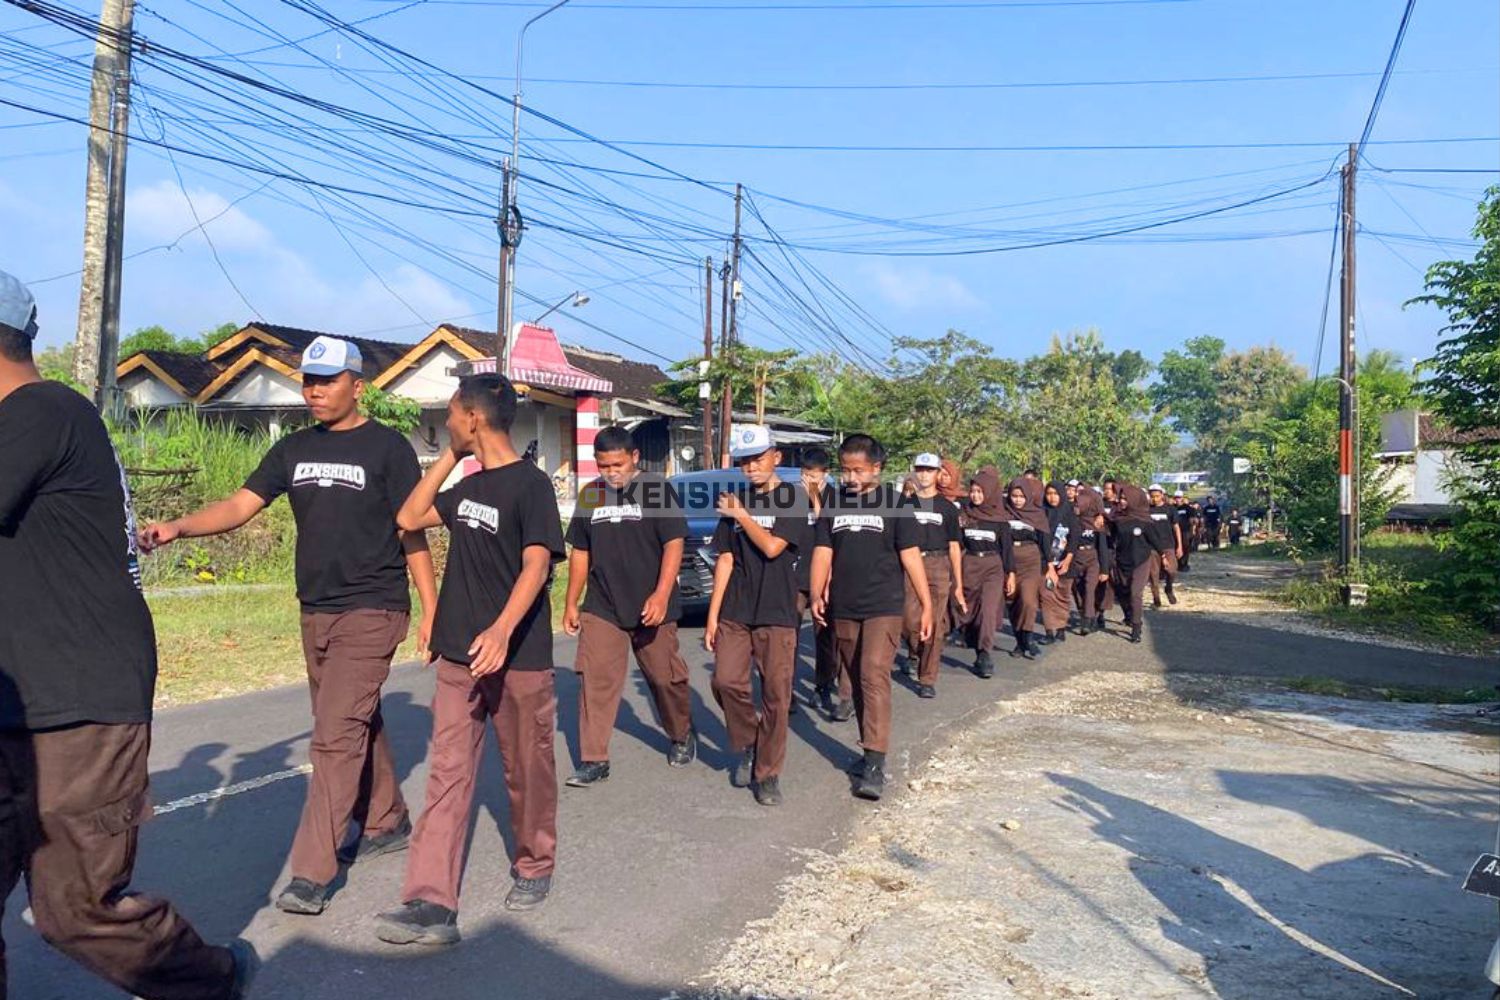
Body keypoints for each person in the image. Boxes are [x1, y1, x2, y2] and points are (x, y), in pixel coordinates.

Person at [0, 271, 255, 998]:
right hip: (20, 696)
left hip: (79, 699)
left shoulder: (43, 410)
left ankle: (209, 978)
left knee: (73, 909)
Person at [141, 335, 437, 917]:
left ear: (358, 385)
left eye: (327, 380)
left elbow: (411, 530)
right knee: (354, 719)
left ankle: (312, 871)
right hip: (315, 609)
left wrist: (431, 607)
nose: (315, 391)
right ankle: (385, 819)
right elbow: (240, 505)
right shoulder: (294, 448)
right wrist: (179, 526)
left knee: (333, 736)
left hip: (373, 607)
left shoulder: (388, 448)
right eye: (308, 381)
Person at [375, 373, 565, 946]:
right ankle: (431, 903)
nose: (448, 421)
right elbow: (409, 518)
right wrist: (449, 457)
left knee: (526, 768)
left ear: (474, 417)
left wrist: (503, 630)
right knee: (448, 774)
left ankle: (535, 862)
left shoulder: (531, 485)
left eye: (453, 414)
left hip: (518, 656)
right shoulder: (468, 487)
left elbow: (537, 565)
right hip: (459, 654)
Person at [562, 425, 695, 788]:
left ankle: (681, 733)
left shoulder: (656, 490)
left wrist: (661, 594)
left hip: (651, 604)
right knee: (595, 678)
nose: (611, 473)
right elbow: (580, 551)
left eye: (617, 465)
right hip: (603, 604)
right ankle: (594, 759)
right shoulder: (592, 495)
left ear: (634, 457)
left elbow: (674, 543)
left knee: (664, 678)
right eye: (603, 466)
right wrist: (571, 601)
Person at [809, 434, 932, 802]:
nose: (851, 478)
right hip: (844, 606)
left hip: (884, 606)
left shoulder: (896, 505)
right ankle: (869, 750)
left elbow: (911, 556)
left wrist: (926, 604)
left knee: (873, 673)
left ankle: (876, 764)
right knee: (857, 680)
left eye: (858, 470)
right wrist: (816, 592)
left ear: (876, 468)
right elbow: (823, 551)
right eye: (845, 470)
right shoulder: (833, 503)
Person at [704, 425, 810, 806]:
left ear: (775, 457)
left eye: (758, 459)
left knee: (777, 695)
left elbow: (772, 547)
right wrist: (713, 615)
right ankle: (750, 738)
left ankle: (767, 774)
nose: (751, 468)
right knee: (725, 681)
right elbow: (726, 558)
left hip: (777, 610)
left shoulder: (793, 497)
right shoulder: (738, 500)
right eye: (744, 461)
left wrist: (741, 514)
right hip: (736, 608)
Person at [900, 454, 966, 699]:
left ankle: (927, 678)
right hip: (910, 563)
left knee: (936, 625)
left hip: (938, 565)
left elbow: (954, 546)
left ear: (938, 474)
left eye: (929, 470)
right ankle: (916, 651)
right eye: (920, 469)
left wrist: (958, 583)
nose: (924, 474)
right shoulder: (905, 505)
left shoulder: (948, 508)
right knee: (908, 621)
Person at [798, 448, 849, 721]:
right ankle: (785, 691)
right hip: (797, 575)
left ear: (826, 475)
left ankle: (828, 686)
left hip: (827, 576)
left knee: (827, 636)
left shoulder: (836, 499)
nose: (809, 481)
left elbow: (827, 530)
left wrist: (816, 498)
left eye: (814, 476)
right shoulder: (793, 498)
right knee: (787, 633)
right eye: (805, 475)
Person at [957, 467, 1014, 678]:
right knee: (969, 611)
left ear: (989, 492)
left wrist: (1011, 574)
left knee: (989, 610)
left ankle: (985, 654)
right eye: (973, 491)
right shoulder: (965, 514)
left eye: (980, 492)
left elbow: (1006, 549)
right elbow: (957, 543)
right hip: (969, 564)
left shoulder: (1000, 518)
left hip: (993, 566)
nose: (975, 496)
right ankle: (971, 637)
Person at [1003, 477, 1055, 659]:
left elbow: (1044, 542)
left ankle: (1029, 638)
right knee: (1013, 602)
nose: (1017, 500)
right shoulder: (1004, 512)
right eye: (1014, 496)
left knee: (1028, 602)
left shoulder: (1037, 514)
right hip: (1009, 560)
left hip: (1031, 560)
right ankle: (1020, 642)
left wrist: (1050, 567)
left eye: (1021, 496)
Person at [1111, 485, 1169, 644]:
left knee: (1135, 593)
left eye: (1125, 499)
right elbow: (1112, 539)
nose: (1122, 501)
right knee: (1122, 591)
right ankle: (1129, 615)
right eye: (1121, 498)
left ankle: (1136, 628)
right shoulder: (1117, 520)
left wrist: (1164, 557)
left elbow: (1155, 541)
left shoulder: (1146, 521)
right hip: (1122, 562)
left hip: (1141, 561)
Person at [1040, 481, 1078, 643]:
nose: (1052, 497)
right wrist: (1049, 565)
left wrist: (1068, 559)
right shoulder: (1042, 513)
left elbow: (1075, 537)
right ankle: (1049, 631)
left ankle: (1061, 628)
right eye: (1049, 494)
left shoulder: (1070, 513)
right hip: (1046, 563)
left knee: (1062, 595)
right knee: (1047, 596)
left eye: (1055, 494)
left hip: (1064, 563)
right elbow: (1041, 539)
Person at [1071, 486, 1105, 636]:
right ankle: (1084, 612)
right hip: (1076, 557)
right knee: (1078, 589)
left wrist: (1104, 569)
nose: (1077, 507)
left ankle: (1087, 620)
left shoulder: (1097, 523)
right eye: (1076, 504)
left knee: (1089, 587)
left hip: (1092, 557)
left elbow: (1102, 546)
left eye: (1079, 504)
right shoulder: (1073, 521)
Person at [1144, 484, 1181, 608]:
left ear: (1162, 495)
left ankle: (1168, 588)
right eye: (1152, 496)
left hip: (1168, 545)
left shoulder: (1170, 509)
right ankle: (1156, 599)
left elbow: (1176, 527)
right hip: (1151, 547)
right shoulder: (1146, 510)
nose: (1154, 499)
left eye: (1157, 496)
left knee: (1172, 571)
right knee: (1153, 575)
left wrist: (1179, 546)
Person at [1172, 490, 1195, 572]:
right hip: (1174, 531)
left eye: (1179, 497)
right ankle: (1177, 563)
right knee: (1175, 547)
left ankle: (1184, 564)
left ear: (1182, 498)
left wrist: (1192, 531)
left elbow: (1192, 520)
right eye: (1176, 497)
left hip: (1185, 530)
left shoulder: (1188, 508)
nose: (1177, 499)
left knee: (1185, 547)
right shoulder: (1172, 508)